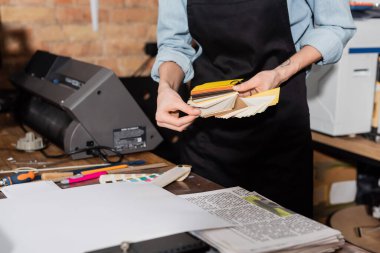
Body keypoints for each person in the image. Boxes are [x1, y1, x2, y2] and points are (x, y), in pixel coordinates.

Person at [151, 0, 356, 217]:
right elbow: (174, 45)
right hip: (209, 132)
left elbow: (336, 26)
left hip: (280, 129)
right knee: (205, 231)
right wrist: (165, 88)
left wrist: (280, 73)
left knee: (286, 236)